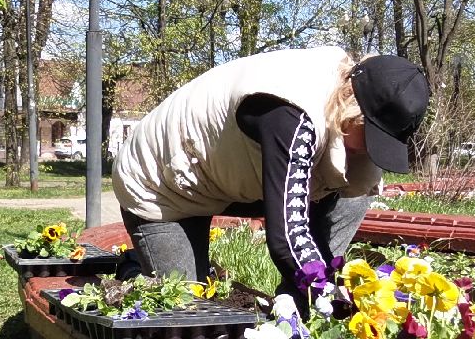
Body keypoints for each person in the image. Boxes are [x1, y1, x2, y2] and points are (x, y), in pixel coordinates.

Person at [113, 47, 430, 302]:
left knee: (359, 184)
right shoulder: (292, 115)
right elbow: (287, 238)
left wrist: (325, 286)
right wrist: (332, 298)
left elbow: (326, 207)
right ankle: (136, 270)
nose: (372, 150)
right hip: (164, 182)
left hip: (229, 176)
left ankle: (295, 309)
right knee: (186, 305)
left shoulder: (343, 102)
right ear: (353, 110)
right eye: (373, 136)